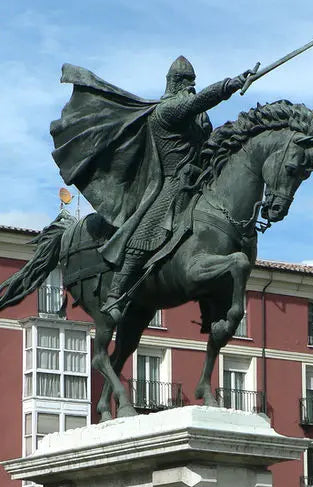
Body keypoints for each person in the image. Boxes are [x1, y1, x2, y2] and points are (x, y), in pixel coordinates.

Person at [99, 55, 254, 321]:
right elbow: (197, 102)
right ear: (175, 83)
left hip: (200, 180)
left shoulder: (196, 117)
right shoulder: (167, 110)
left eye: (194, 82)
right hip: (171, 184)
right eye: (187, 82)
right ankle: (116, 292)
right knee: (146, 231)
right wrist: (229, 85)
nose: (192, 87)